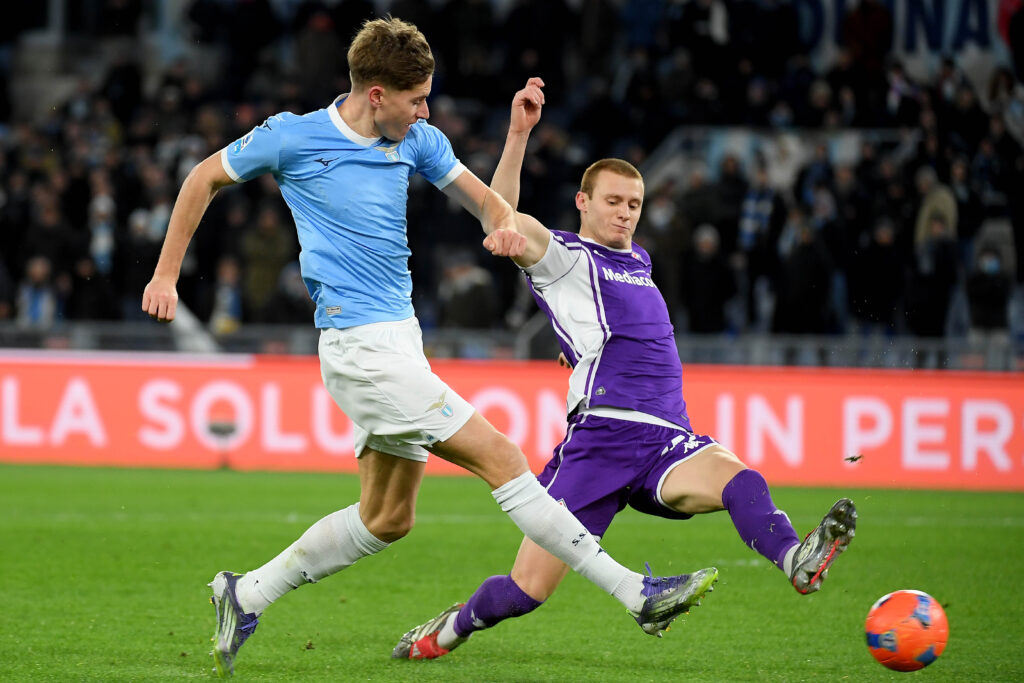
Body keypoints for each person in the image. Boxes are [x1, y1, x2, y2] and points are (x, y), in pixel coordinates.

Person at [141, 18, 705, 678]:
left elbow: (497, 212)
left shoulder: (420, 141)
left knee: (387, 517)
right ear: (376, 94)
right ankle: (634, 592)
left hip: (402, 344)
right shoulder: (293, 137)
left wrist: (517, 140)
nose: (426, 110)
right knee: (502, 455)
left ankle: (246, 593)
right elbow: (202, 178)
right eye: (416, 99)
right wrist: (165, 272)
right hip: (357, 347)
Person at [392, 78, 857, 661]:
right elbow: (498, 213)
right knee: (526, 591)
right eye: (613, 201)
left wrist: (577, 342)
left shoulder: (639, 259)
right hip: (603, 437)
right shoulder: (564, 256)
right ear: (584, 202)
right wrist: (517, 134)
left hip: (667, 438)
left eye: (633, 204)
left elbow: (606, 324)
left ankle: (797, 559)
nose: (625, 213)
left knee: (743, 480)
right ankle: (449, 631)